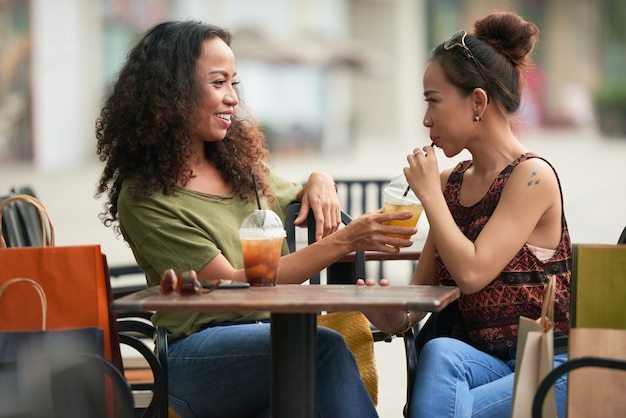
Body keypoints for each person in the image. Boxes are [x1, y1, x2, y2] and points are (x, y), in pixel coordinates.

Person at [95, 20, 416, 418]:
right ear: (172, 92)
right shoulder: (146, 197)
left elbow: (297, 191)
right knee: (322, 346)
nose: (232, 98)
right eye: (218, 83)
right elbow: (231, 284)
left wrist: (319, 179)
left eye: (234, 83)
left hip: (270, 342)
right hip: (197, 356)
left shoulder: (240, 169)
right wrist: (345, 240)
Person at [360, 11, 571, 418]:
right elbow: (423, 294)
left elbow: (472, 274)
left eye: (433, 102)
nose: (425, 120)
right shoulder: (450, 184)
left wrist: (430, 197)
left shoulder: (532, 177)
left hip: (548, 367)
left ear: (477, 101)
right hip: (481, 369)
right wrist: (389, 313)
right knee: (439, 351)